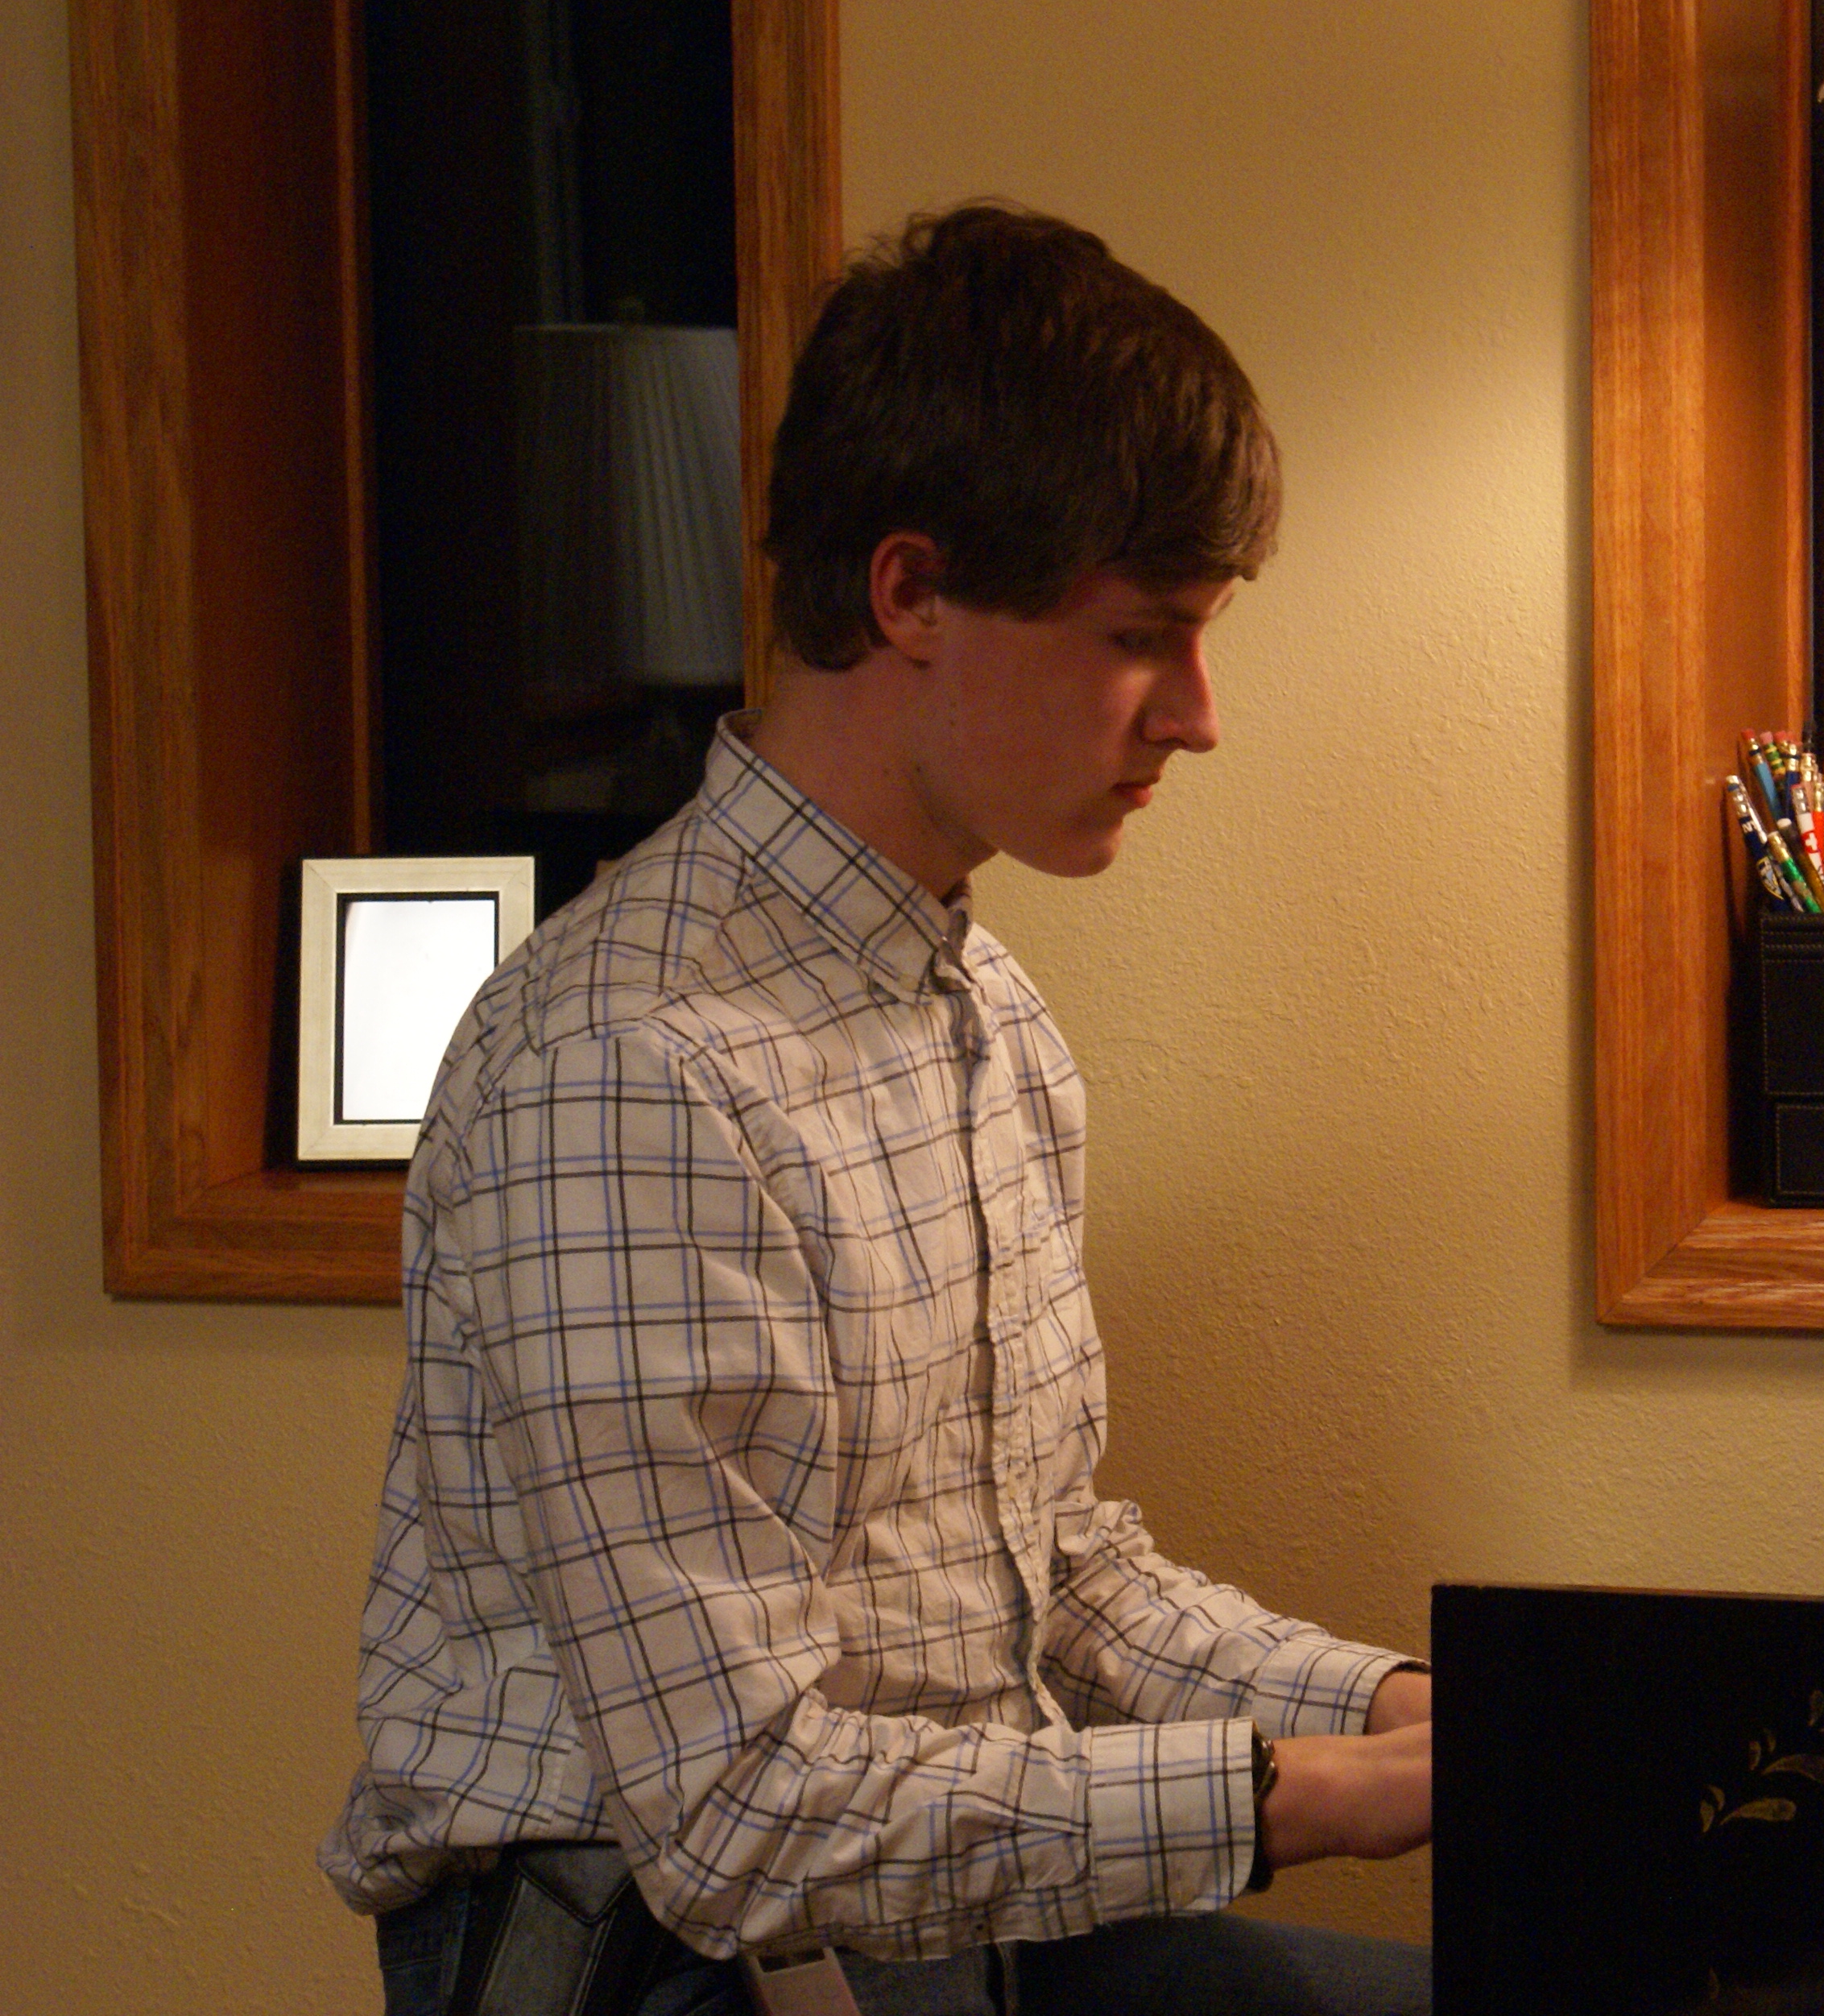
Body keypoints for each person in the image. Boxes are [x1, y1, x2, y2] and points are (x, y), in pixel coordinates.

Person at [321, 205, 1433, 2016]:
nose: (1199, 717)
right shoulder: (630, 1073)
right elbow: (739, 1819)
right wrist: (1306, 1795)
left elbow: (1050, 1567)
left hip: (929, 1920)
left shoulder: (978, 1014)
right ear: (908, 593)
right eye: (1144, 637)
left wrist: (1405, 1711)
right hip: (658, 1964)